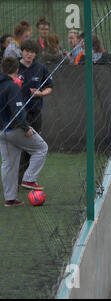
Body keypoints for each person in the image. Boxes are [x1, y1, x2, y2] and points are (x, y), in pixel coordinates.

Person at [0, 57, 48, 206]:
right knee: (41, 148)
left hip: (1, 132)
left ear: (2, 69)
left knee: (8, 164)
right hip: (14, 129)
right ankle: (29, 179)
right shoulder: (12, 86)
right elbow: (17, 111)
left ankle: (10, 199)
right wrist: (26, 127)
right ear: (16, 70)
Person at [17, 39, 53, 188]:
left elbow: (50, 86)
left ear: (35, 54)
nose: (29, 54)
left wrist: (40, 93)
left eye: (32, 52)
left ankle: (28, 179)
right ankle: (16, 180)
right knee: (17, 150)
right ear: (22, 51)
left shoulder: (41, 68)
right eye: (26, 51)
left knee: (33, 148)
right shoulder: (14, 67)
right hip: (17, 116)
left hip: (35, 113)